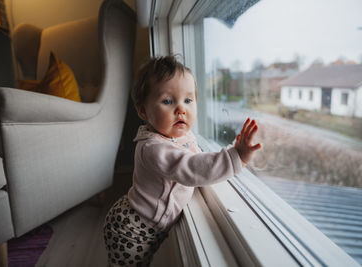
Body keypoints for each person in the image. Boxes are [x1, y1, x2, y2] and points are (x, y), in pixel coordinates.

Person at [103, 56, 261, 266]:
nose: (181, 109)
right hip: (132, 229)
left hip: (145, 225)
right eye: (168, 101)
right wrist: (236, 156)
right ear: (143, 111)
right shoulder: (154, 148)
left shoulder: (180, 136)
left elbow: (199, 157)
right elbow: (192, 168)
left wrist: (232, 147)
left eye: (188, 100)